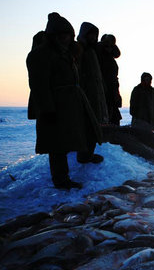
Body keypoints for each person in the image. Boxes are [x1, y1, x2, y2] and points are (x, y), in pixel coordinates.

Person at [26, 12, 102, 189]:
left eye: (68, 35)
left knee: (81, 132)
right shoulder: (41, 55)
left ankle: (83, 158)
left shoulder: (68, 53)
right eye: (62, 35)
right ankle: (61, 180)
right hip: (55, 104)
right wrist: (47, 109)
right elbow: (39, 85)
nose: (66, 39)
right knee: (57, 144)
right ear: (53, 36)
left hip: (72, 102)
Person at [76, 22, 108, 163]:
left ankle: (88, 154)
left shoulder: (92, 51)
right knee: (86, 126)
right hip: (85, 94)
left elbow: (97, 76)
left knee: (93, 126)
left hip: (95, 93)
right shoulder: (79, 50)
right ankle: (83, 156)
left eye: (95, 35)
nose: (94, 37)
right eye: (91, 35)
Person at [96, 34, 122, 126]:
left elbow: (114, 79)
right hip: (102, 92)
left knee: (114, 121)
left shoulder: (111, 59)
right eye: (107, 45)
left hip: (112, 93)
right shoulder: (98, 56)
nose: (109, 48)